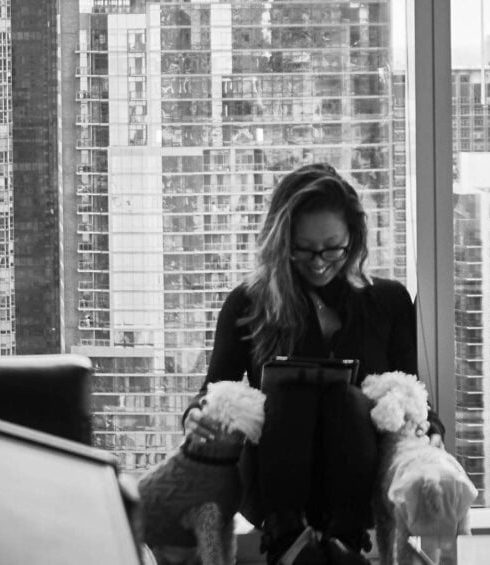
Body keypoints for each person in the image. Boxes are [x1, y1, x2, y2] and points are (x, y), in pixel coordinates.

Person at [183, 163, 444, 565]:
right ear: (280, 241)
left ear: (353, 239)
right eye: (303, 248)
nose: (319, 262)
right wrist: (196, 417)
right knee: (289, 397)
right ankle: (289, 540)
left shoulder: (388, 303)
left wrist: (431, 432)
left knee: (346, 399)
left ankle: (341, 540)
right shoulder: (247, 304)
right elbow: (211, 393)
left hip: (359, 481)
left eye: (332, 247)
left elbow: (412, 393)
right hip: (274, 485)